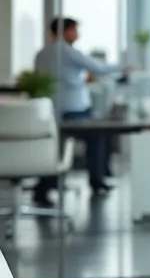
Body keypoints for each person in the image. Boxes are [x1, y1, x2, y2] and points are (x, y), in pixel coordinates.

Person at [33, 16, 131, 198]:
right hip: (74, 109)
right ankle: (97, 181)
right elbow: (98, 68)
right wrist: (124, 67)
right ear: (65, 31)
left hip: (49, 110)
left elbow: (57, 80)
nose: (78, 34)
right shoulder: (68, 51)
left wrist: (79, 81)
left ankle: (44, 187)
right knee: (97, 136)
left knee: (52, 145)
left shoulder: (41, 53)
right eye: (74, 30)